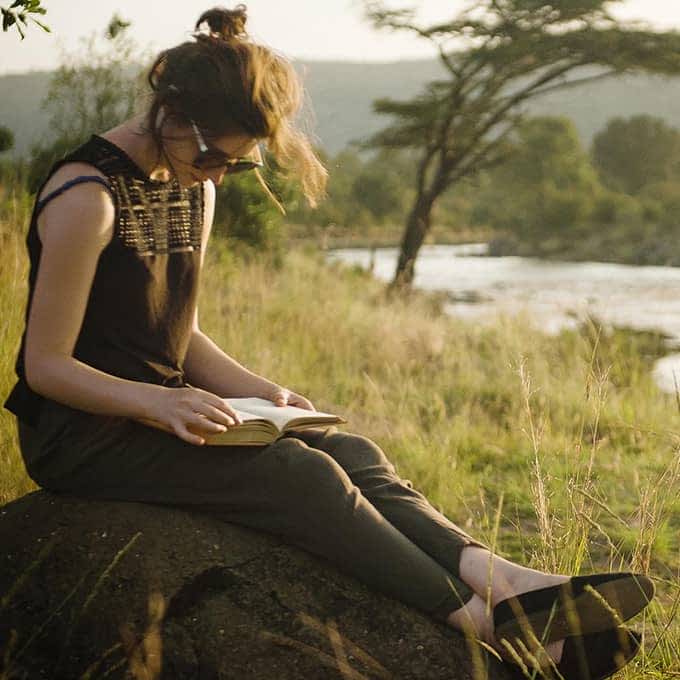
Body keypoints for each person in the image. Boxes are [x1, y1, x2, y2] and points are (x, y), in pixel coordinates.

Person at [4, 5, 654, 678]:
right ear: (169, 113)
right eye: (214, 157)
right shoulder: (88, 198)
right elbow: (46, 366)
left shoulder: (196, 189)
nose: (220, 175)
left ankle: (509, 579)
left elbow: (177, 330)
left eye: (239, 164)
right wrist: (156, 403)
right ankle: (491, 626)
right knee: (298, 475)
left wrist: (261, 392)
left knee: (348, 449)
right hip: (80, 436)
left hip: (167, 411)